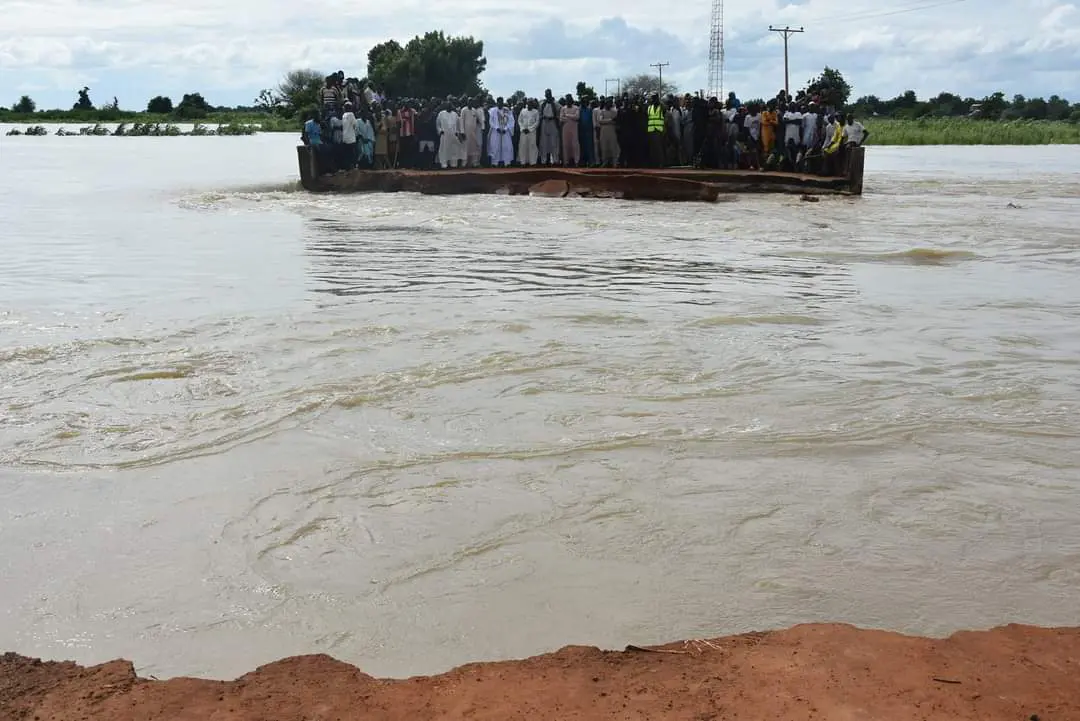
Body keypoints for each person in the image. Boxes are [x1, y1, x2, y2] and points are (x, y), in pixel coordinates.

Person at [488, 97, 514, 166]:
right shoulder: (492, 110)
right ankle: (494, 163)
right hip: (496, 131)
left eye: (501, 102)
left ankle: (507, 162)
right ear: (497, 102)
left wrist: (506, 128)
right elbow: (491, 121)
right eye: (499, 102)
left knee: (507, 146)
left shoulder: (507, 110)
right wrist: (497, 128)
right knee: (495, 146)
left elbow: (511, 120)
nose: (500, 103)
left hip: (505, 131)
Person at [538, 89, 561, 165]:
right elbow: (539, 113)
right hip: (544, 122)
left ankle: (555, 160)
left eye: (549, 94)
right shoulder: (542, 104)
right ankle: (544, 161)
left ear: (551, 94)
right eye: (546, 94)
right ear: (545, 95)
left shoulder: (556, 104)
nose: (547, 95)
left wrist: (556, 118)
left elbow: (560, 112)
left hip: (553, 122)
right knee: (544, 143)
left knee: (554, 142)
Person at [462, 97, 485, 167]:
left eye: (472, 102)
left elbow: (480, 120)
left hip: (473, 132)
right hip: (466, 132)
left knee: (474, 147)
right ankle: (464, 163)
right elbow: (461, 121)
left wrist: (482, 128)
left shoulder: (474, 110)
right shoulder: (464, 110)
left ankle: (474, 163)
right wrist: (462, 132)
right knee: (465, 147)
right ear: (467, 102)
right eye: (469, 101)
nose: (470, 103)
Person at [436, 102, 460, 169]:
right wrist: (440, 131)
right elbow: (438, 124)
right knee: (444, 149)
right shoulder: (441, 113)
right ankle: (444, 164)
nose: (449, 107)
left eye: (450, 105)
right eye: (448, 105)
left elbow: (458, 124)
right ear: (445, 106)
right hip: (445, 134)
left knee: (453, 149)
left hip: (453, 135)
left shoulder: (455, 114)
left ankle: (453, 164)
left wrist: (457, 132)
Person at [596, 98, 620, 167]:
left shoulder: (615, 111)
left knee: (613, 147)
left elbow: (615, 121)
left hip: (612, 130)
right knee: (604, 147)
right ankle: (605, 162)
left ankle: (615, 163)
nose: (609, 104)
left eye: (610, 103)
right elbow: (600, 121)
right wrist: (610, 120)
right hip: (603, 131)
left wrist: (606, 121)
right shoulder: (601, 111)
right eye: (608, 103)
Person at [559, 95, 581, 166]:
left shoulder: (576, 108)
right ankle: (566, 162)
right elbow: (561, 118)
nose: (568, 101)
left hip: (574, 129)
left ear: (572, 100)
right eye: (567, 100)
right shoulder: (563, 108)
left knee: (575, 144)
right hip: (565, 129)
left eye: (569, 99)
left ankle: (576, 161)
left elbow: (577, 117)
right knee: (566, 144)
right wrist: (571, 117)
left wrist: (567, 115)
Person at [517, 98, 539, 166]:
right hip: (523, 131)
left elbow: (537, 122)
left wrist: (529, 129)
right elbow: (519, 120)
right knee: (522, 146)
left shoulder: (536, 112)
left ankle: (532, 162)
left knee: (532, 146)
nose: (530, 105)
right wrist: (523, 128)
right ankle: (523, 162)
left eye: (531, 103)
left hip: (532, 132)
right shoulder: (523, 111)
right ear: (527, 104)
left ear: (533, 104)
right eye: (528, 103)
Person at [646, 93, 666, 167]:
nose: (653, 100)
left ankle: (661, 163)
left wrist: (659, 102)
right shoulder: (649, 107)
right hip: (651, 130)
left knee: (659, 148)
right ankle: (654, 163)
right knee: (652, 148)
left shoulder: (661, 106)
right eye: (652, 98)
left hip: (659, 129)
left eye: (654, 98)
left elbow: (664, 109)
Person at [398, 101, 417, 168]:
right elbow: (398, 122)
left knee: (410, 150)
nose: (408, 105)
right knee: (403, 150)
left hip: (411, 133)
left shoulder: (413, 111)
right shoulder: (399, 112)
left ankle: (410, 164)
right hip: (403, 134)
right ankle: (403, 164)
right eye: (407, 104)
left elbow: (417, 117)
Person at [340, 102, 358, 170]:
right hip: (351, 137)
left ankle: (348, 168)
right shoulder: (351, 114)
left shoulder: (343, 115)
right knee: (353, 153)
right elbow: (355, 125)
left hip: (345, 137)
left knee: (347, 154)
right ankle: (354, 167)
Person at [579, 99, 596, 166]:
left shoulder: (590, 110)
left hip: (589, 131)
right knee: (582, 147)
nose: (584, 103)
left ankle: (591, 162)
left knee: (590, 147)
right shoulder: (579, 110)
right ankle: (583, 162)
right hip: (581, 131)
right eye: (582, 102)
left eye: (585, 102)